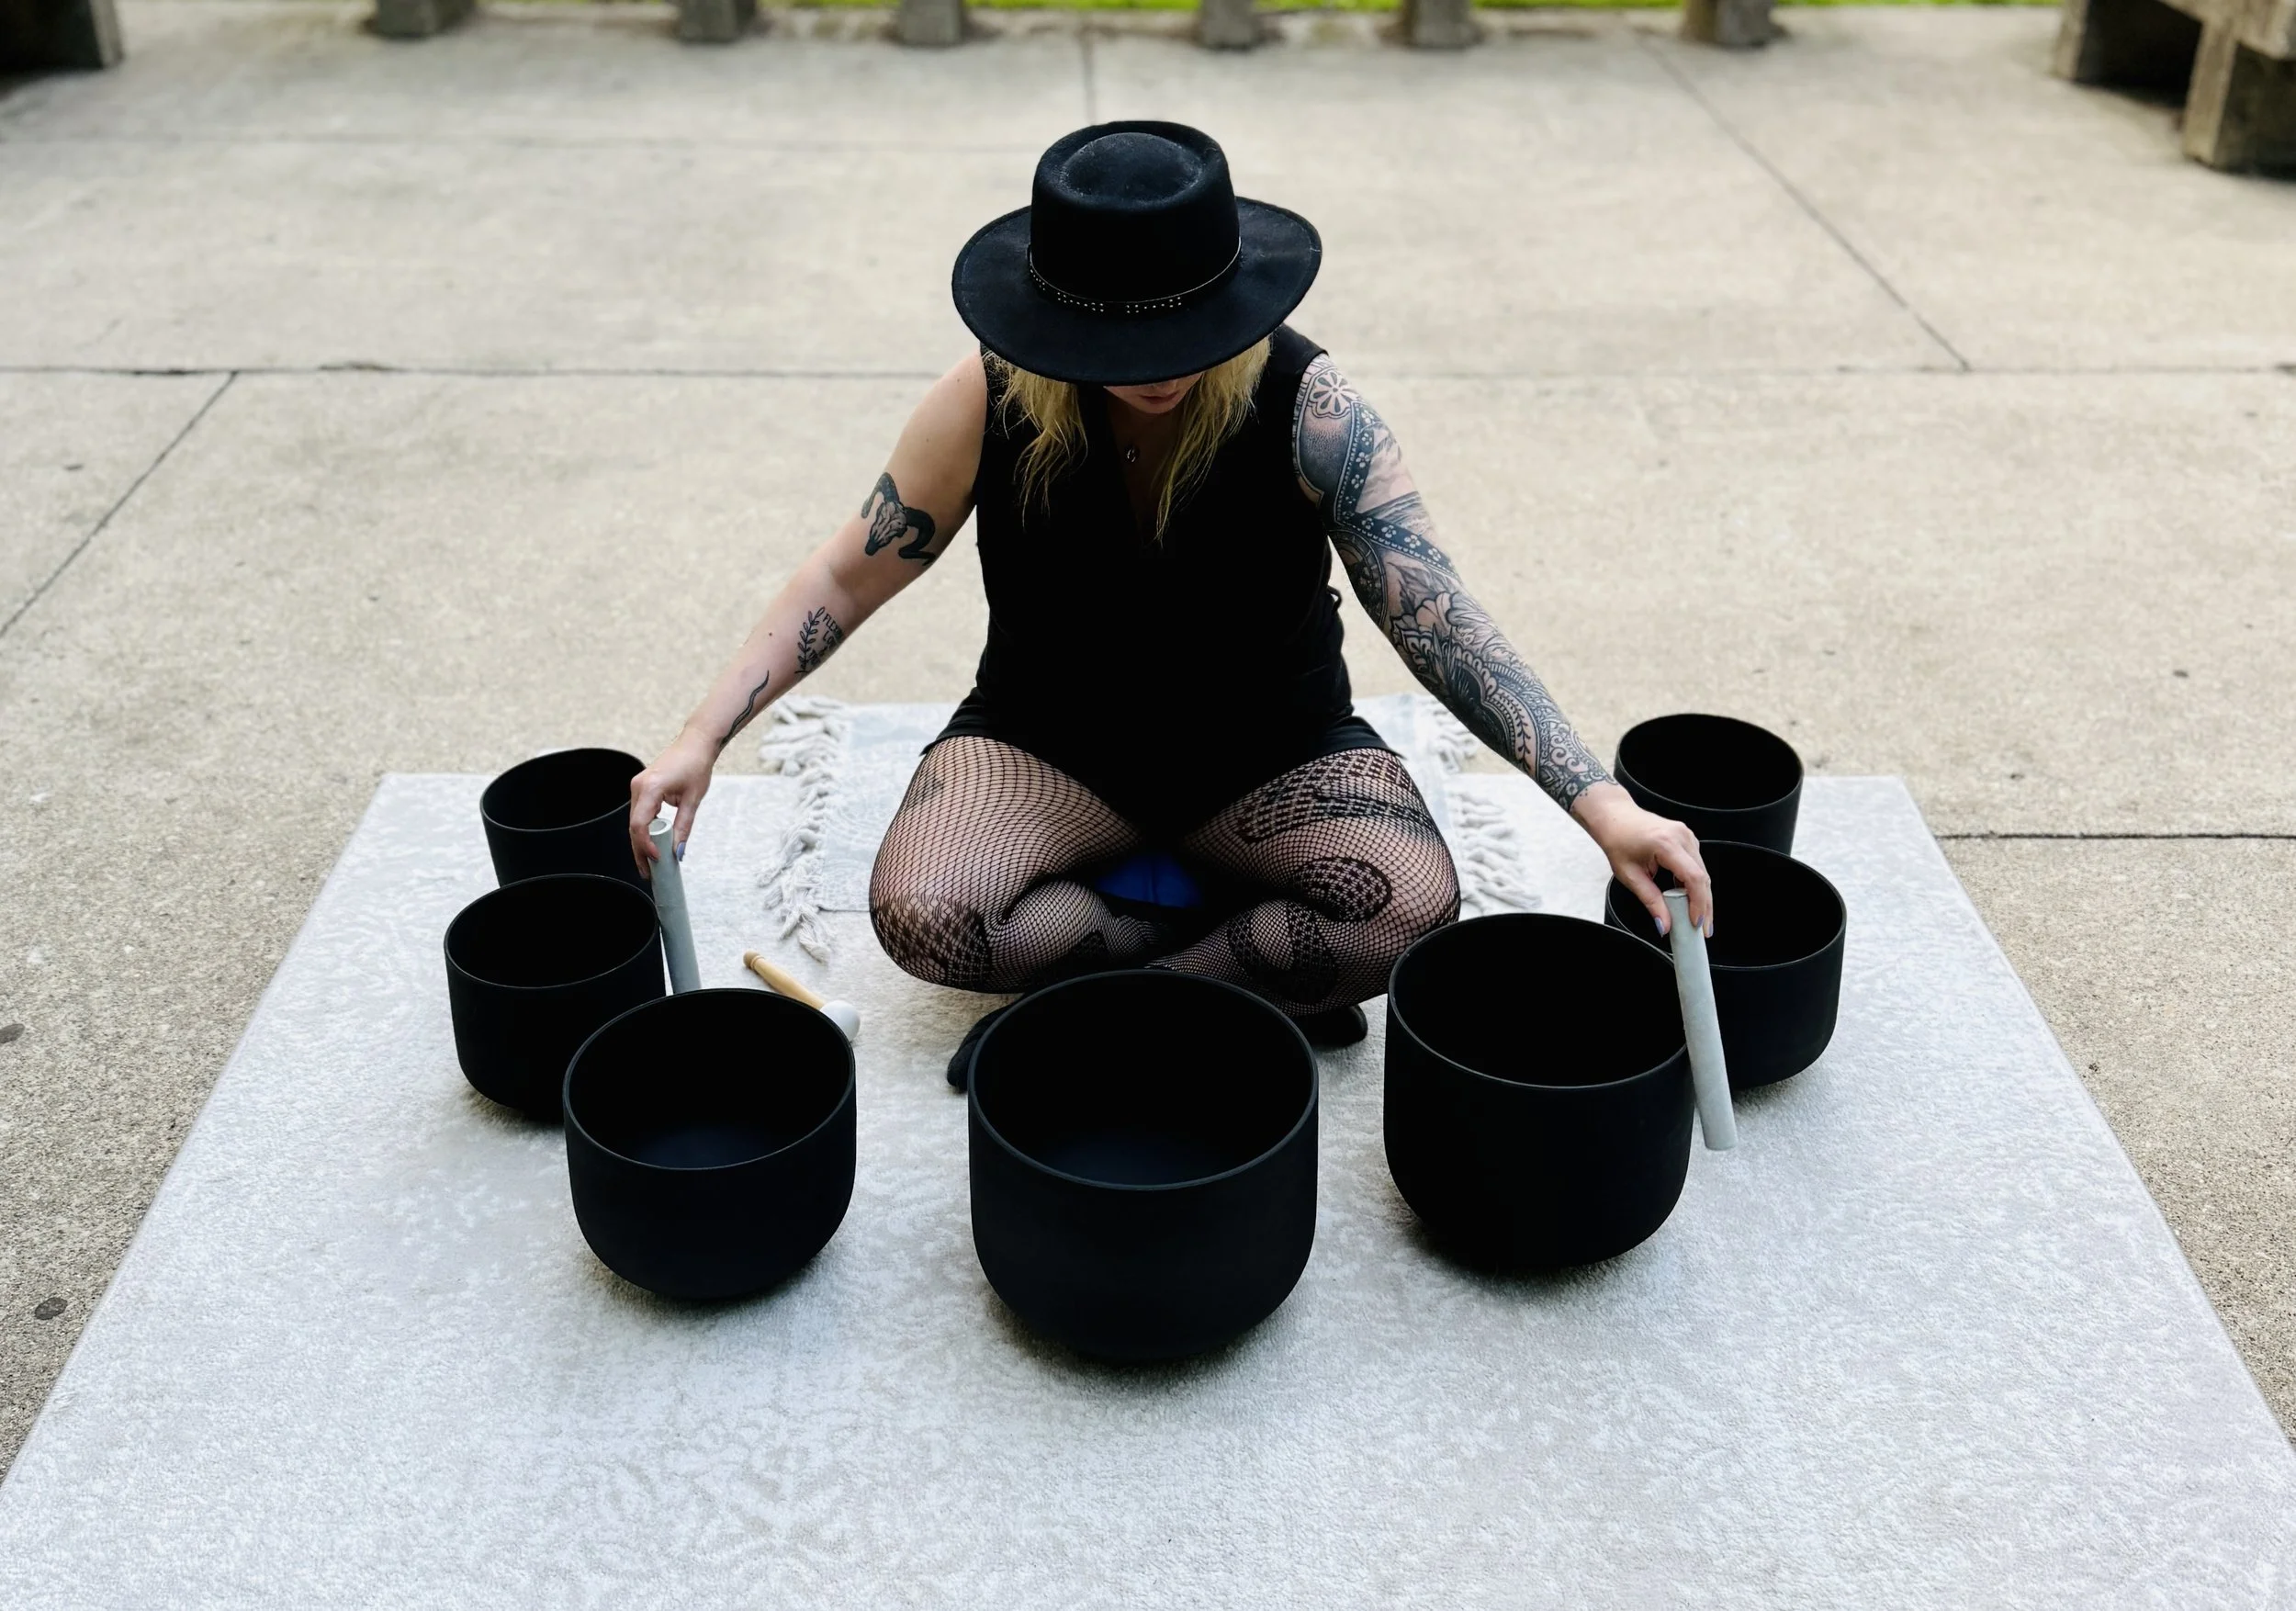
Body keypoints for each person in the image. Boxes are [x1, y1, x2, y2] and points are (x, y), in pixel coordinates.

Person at [629, 121, 1712, 1083]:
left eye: (1187, 335)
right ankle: (1232, 968)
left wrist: (1602, 803)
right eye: (1123, 346)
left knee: (1408, 910)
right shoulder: (987, 393)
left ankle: (1114, 1003)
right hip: (1046, 746)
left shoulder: (1315, 405)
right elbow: (848, 569)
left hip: (1269, 751)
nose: (1159, 371)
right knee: (929, 918)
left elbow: (1435, 614)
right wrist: (701, 734)